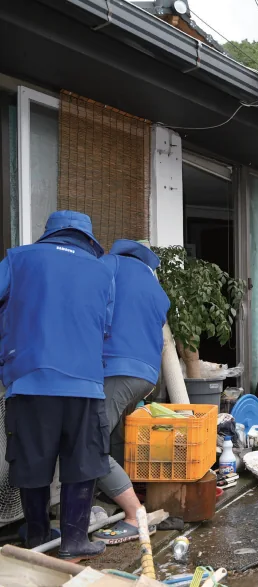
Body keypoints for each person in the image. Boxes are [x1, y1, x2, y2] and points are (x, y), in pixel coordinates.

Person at [1, 211, 113, 561]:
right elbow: (105, 326)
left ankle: (37, 536)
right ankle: (74, 540)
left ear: (49, 233)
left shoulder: (17, 259)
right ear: (88, 239)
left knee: (32, 460)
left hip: (29, 380)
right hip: (85, 382)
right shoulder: (102, 270)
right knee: (83, 460)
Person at [89, 240, 169, 545]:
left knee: (90, 444)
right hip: (146, 375)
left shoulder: (109, 265)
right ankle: (107, 498)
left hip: (116, 369)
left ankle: (135, 515)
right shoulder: (153, 285)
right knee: (113, 436)